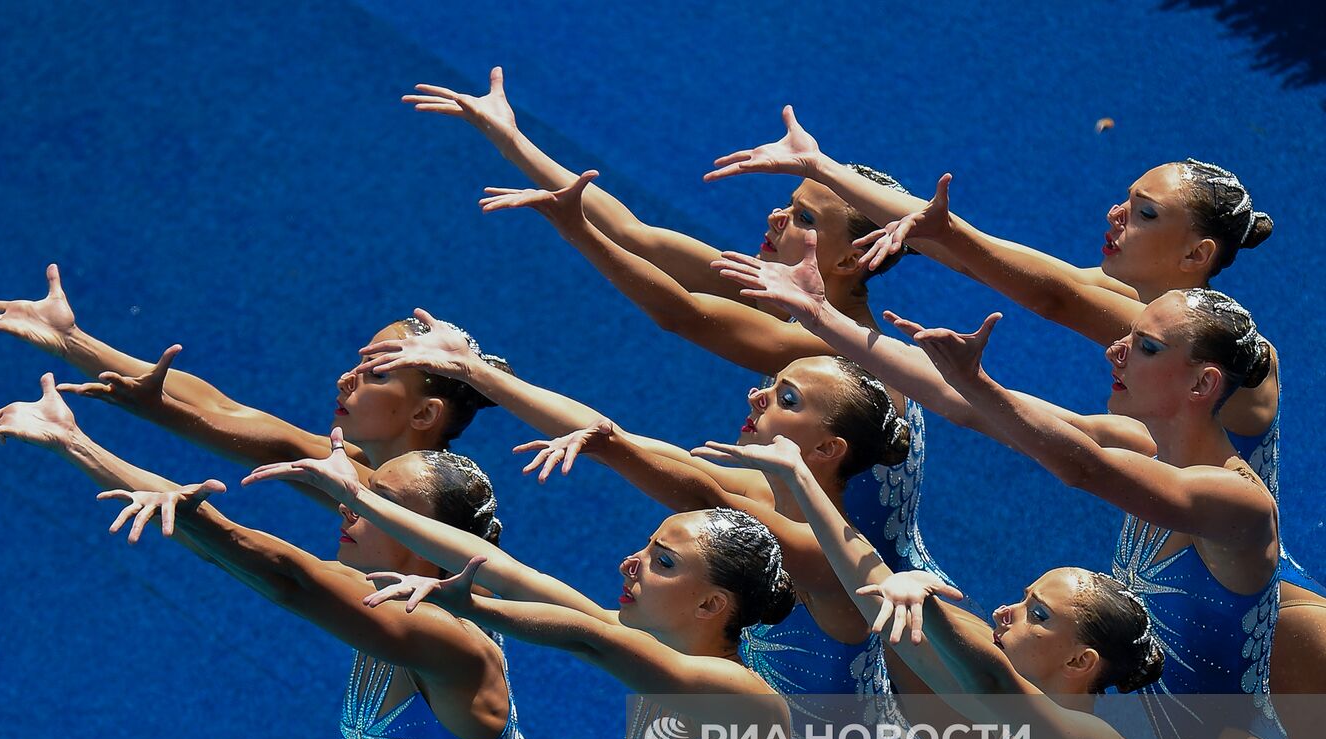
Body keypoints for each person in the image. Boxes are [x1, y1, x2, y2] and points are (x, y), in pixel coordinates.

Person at [0, 268, 598, 739]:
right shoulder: (377, 486)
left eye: (377, 371)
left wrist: (86, 385)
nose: (347, 378)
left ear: (425, 413)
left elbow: (274, 539)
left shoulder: (411, 503)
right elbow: (230, 414)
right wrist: (78, 348)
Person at [715, 230, 1326, 739]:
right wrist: (822, 317)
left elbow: (1078, 466)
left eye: (1146, 347)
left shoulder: (1236, 501)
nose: (1117, 349)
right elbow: (968, 411)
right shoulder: (1144, 444)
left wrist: (976, 381)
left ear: (1202, 383)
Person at [704, 111, 1324, 739]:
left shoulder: (1241, 363)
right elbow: (963, 262)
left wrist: (845, 193)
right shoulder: (1143, 407)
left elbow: (1040, 293)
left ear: (1197, 254)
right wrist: (824, 187)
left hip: (1281, 631)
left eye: (1143, 212)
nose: (1115, 214)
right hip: (1196, 688)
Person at [356, 294, 999, 739]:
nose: (756, 393)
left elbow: (659, 469)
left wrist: (597, 444)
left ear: (827, 450)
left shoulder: (820, 561)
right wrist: (474, 377)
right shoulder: (748, 523)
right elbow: (606, 454)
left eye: (786, 397)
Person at [403, 70, 954, 592]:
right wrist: (512, 138)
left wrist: (574, 233)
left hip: (864, 593)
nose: (775, 219)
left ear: (853, 258)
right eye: (788, 204)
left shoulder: (841, 352)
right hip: (804, 557)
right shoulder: (790, 297)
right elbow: (633, 232)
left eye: (805, 219)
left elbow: (682, 314)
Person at [241, 436, 803, 739]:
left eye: (663, 562)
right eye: (646, 548)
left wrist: (476, 608)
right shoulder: (666, 662)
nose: (629, 563)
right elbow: (511, 574)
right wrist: (359, 498)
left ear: (710, 606)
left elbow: (590, 638)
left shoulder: (740, 695)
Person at [696, 433, 1169, 739]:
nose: (1006, 612)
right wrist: (799, 476)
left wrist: (929, 610)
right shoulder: (1010, 732)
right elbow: (879, 601)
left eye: (1037, 614)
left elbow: (992, 683)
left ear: (1079, 662)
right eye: (1024, 598)